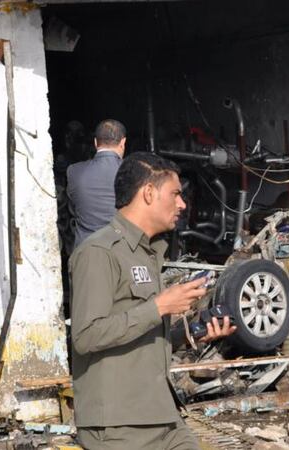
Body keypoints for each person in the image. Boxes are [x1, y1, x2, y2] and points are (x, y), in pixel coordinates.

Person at [69, 152, 236, 450]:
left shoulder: (148, 254)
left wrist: (192, 334)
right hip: (119, 427)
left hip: (162, 416)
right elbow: (86, 335)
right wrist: (159, 306)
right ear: (148, 193)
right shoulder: (98, 252)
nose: (182, 204)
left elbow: (141, 335)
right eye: (175, 194)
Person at [67, 119, 127, 248]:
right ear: (123, 142)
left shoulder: (74, 171)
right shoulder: (134, 171)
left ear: (95, 143)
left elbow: (73, 207)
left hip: (85, 249)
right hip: (121, 249)